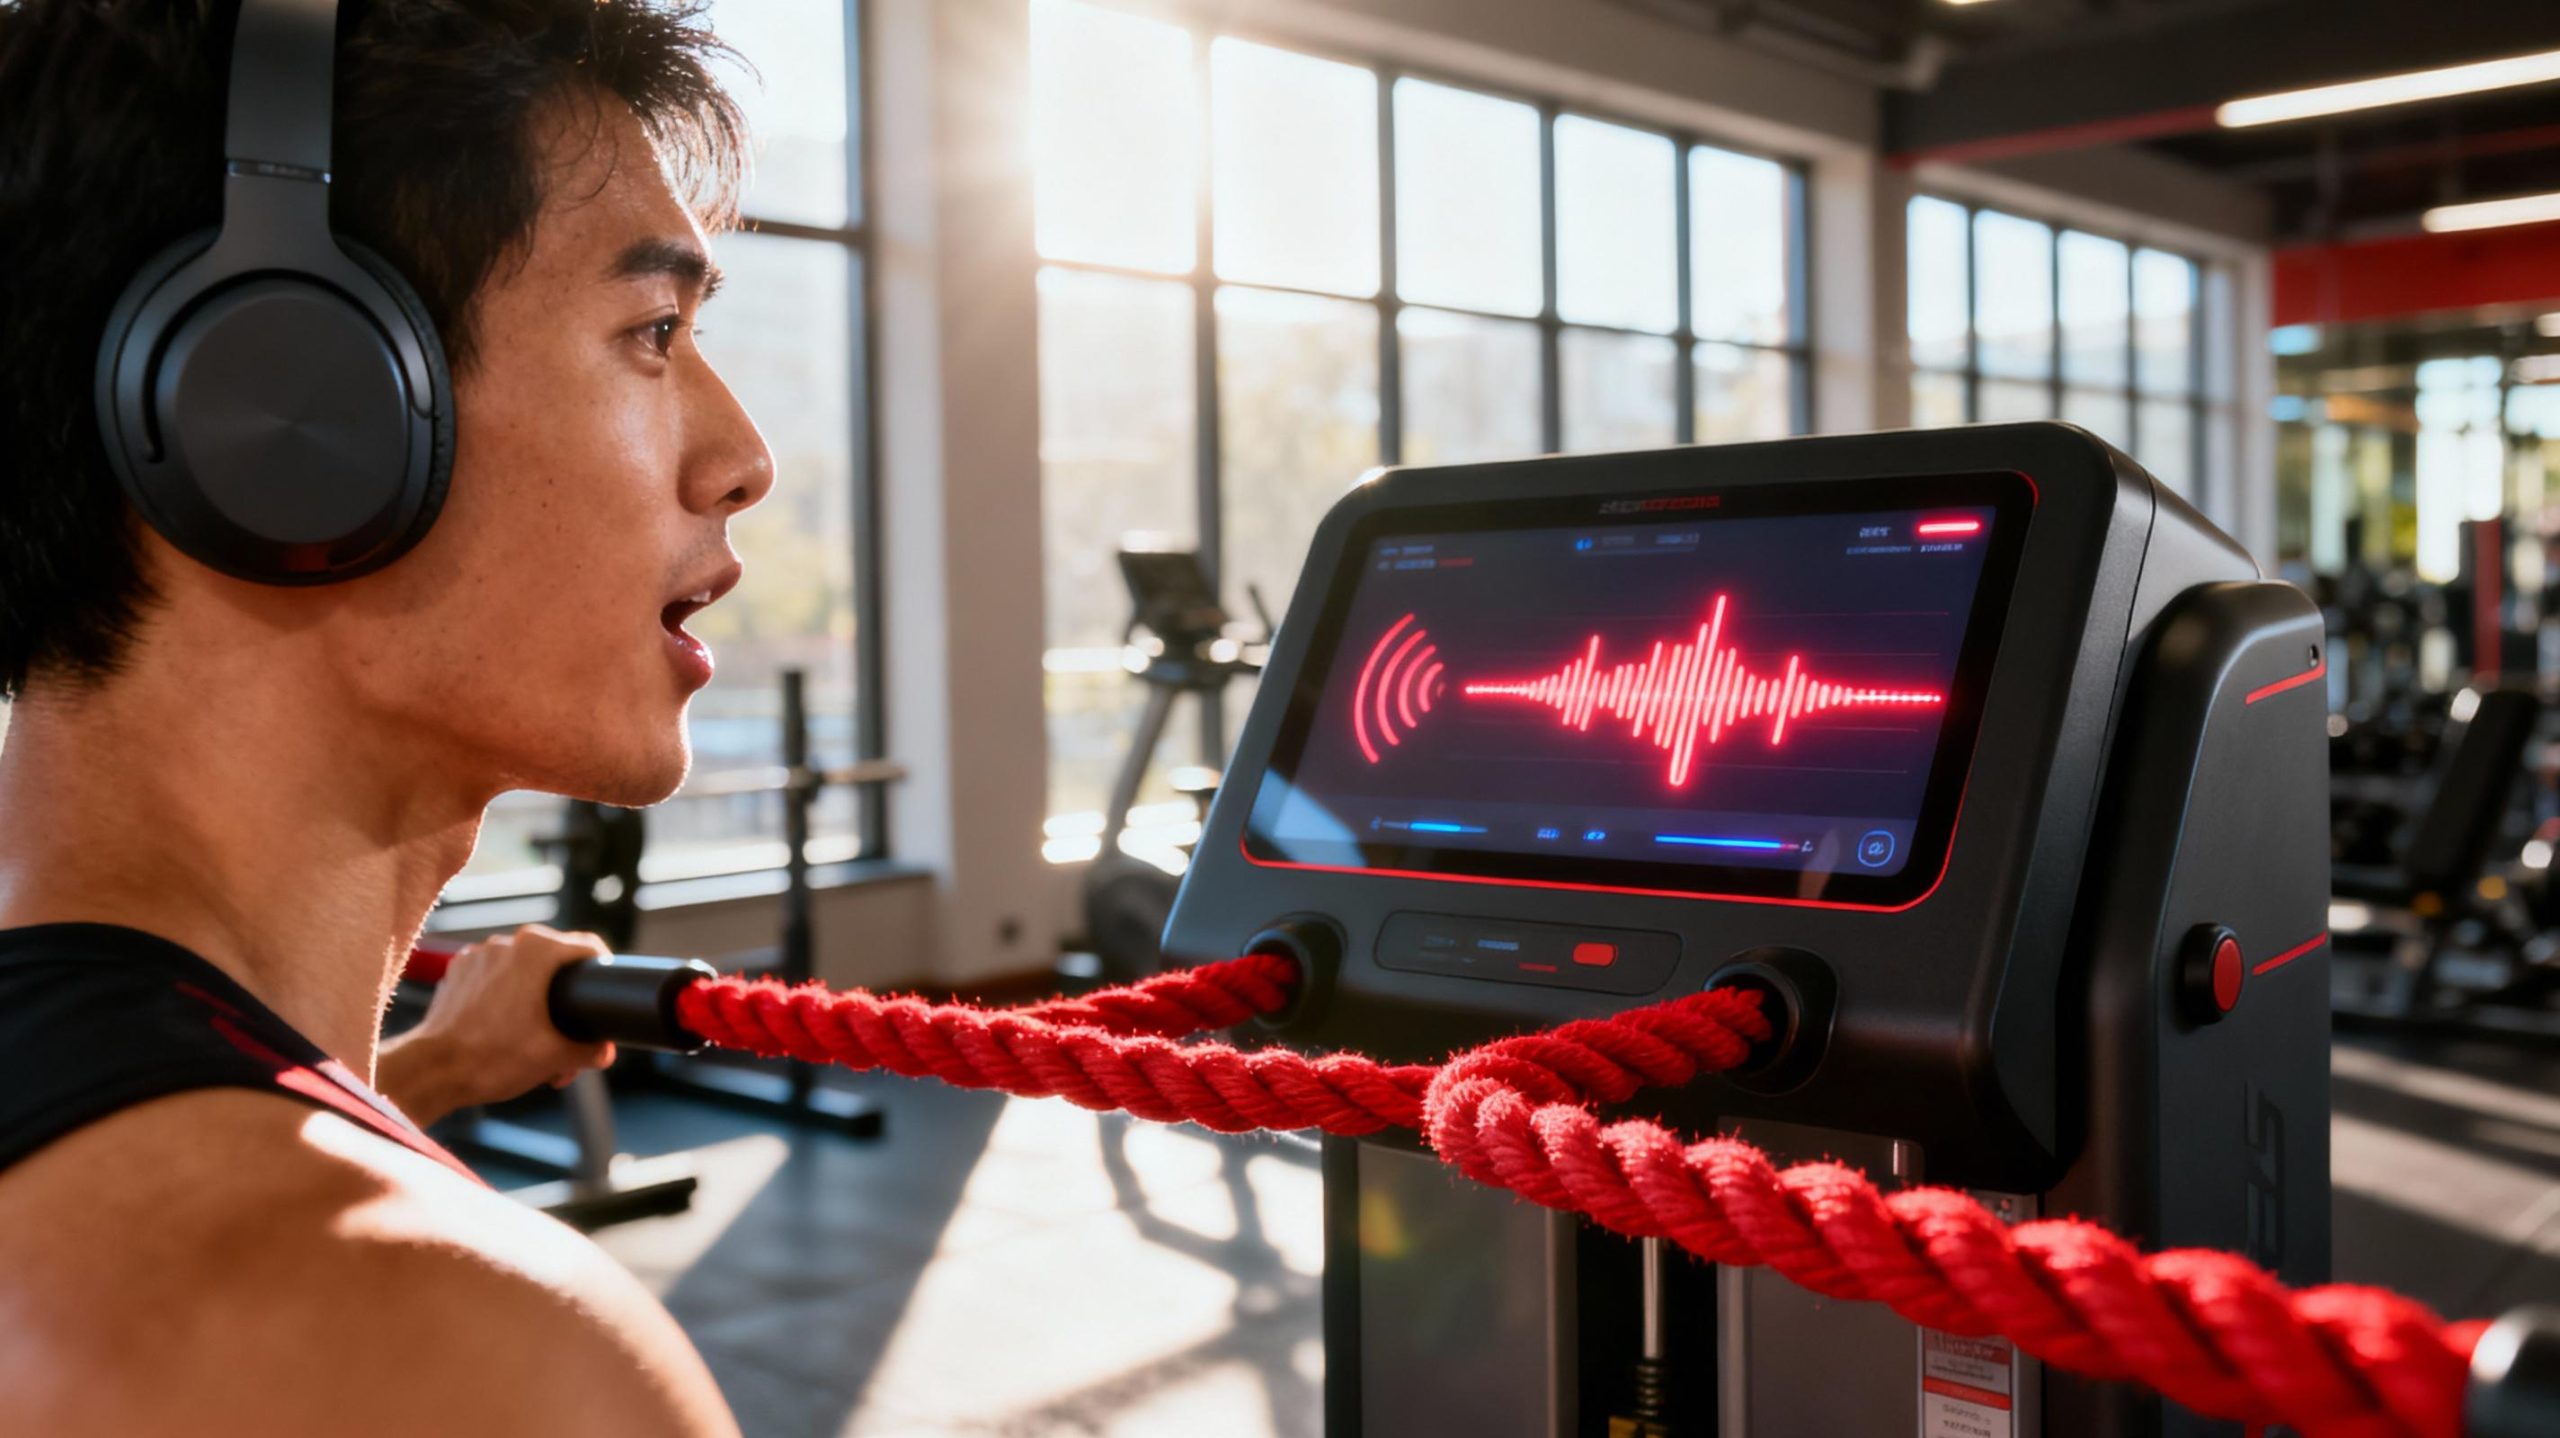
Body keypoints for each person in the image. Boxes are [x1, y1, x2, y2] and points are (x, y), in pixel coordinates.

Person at [0, 1, 770, 1432]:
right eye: (655, 331)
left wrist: (413, 1078)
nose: (742, 459)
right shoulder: (466, 1352)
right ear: (292, 407)